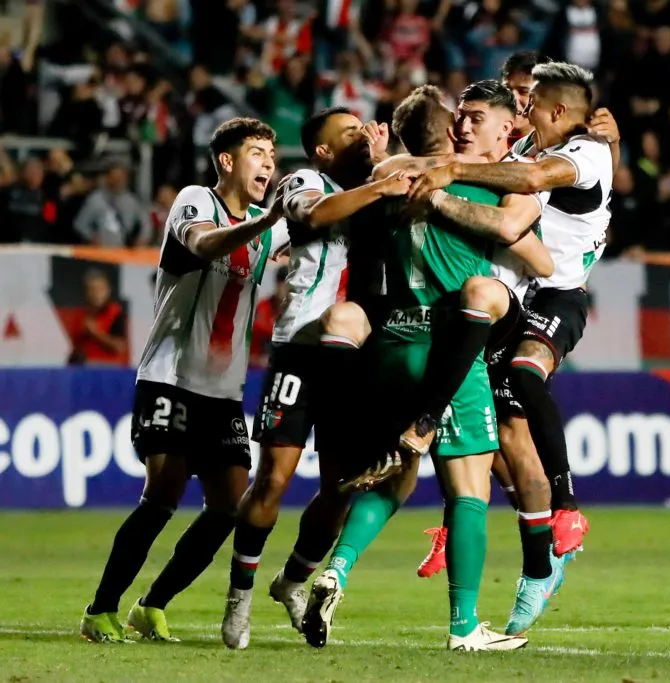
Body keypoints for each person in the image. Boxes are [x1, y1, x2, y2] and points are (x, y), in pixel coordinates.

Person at [301, 86, 528, 652]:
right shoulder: (474, 178)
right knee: (469, 487)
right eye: (461, 120)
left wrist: (383, 161)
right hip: (450, 343)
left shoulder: (388, 179)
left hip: (392, 339)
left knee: (397, 472)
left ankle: (336, 570)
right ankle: (464, 625)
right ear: (450, 131)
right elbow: (530, 249)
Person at [80, 117, 289, 644]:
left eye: (272, 154)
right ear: (226, 160)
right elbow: (201, 245)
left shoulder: (267, 223)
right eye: (257, 152)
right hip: (170, 377)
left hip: (223, 391)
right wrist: (267, 224)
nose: (268, 162)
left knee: (228, 507)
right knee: (163, 495)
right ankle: (99, 610)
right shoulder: (196, 200)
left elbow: (317, 217)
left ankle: (152, 606)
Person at [378, 79, 570, 635]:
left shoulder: (520, 175)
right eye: (458, 116)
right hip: (457, 329)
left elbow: (534, 254)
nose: (462, 126)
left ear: (507, 127)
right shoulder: (439, 164)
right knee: (492, 460)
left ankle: (539, 562)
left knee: (511, 442)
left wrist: (441, 194)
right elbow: (394, 167)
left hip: (506, 314)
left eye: (474, 117)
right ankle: (520, 561)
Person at [220, 106, 412, 650]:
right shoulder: (308, 180)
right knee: (274, 479)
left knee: (341, 488)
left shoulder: (380, 184)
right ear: (323, 150)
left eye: (363, 128)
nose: (361, 133)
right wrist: (382, 184)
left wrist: (386, 168)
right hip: (300, 351)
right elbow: (318, 214)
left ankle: (294, 580)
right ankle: (240, 594)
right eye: (347, 131)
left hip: (355, 355)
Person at [408, 61, 617, 557]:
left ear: (559, 109)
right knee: (490, 418)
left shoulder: (584, 151)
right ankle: (458, 515)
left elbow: (535, 179)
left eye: (533, 99)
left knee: (525, 374)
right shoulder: (526, 146)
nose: (524, 106)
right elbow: (499, 146)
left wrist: (453, 170)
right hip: (520, 293)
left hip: (559, 294)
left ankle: (567, 505)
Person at [68, 269, 129, 365]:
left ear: (108, 290)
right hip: (85, 369)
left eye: (100, 289)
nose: (96, 294)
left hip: (108, 370)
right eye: (91, 289)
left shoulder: (116, 313)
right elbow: (76, 347)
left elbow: (120, 347)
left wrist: (95, 333)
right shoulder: (81, 315)